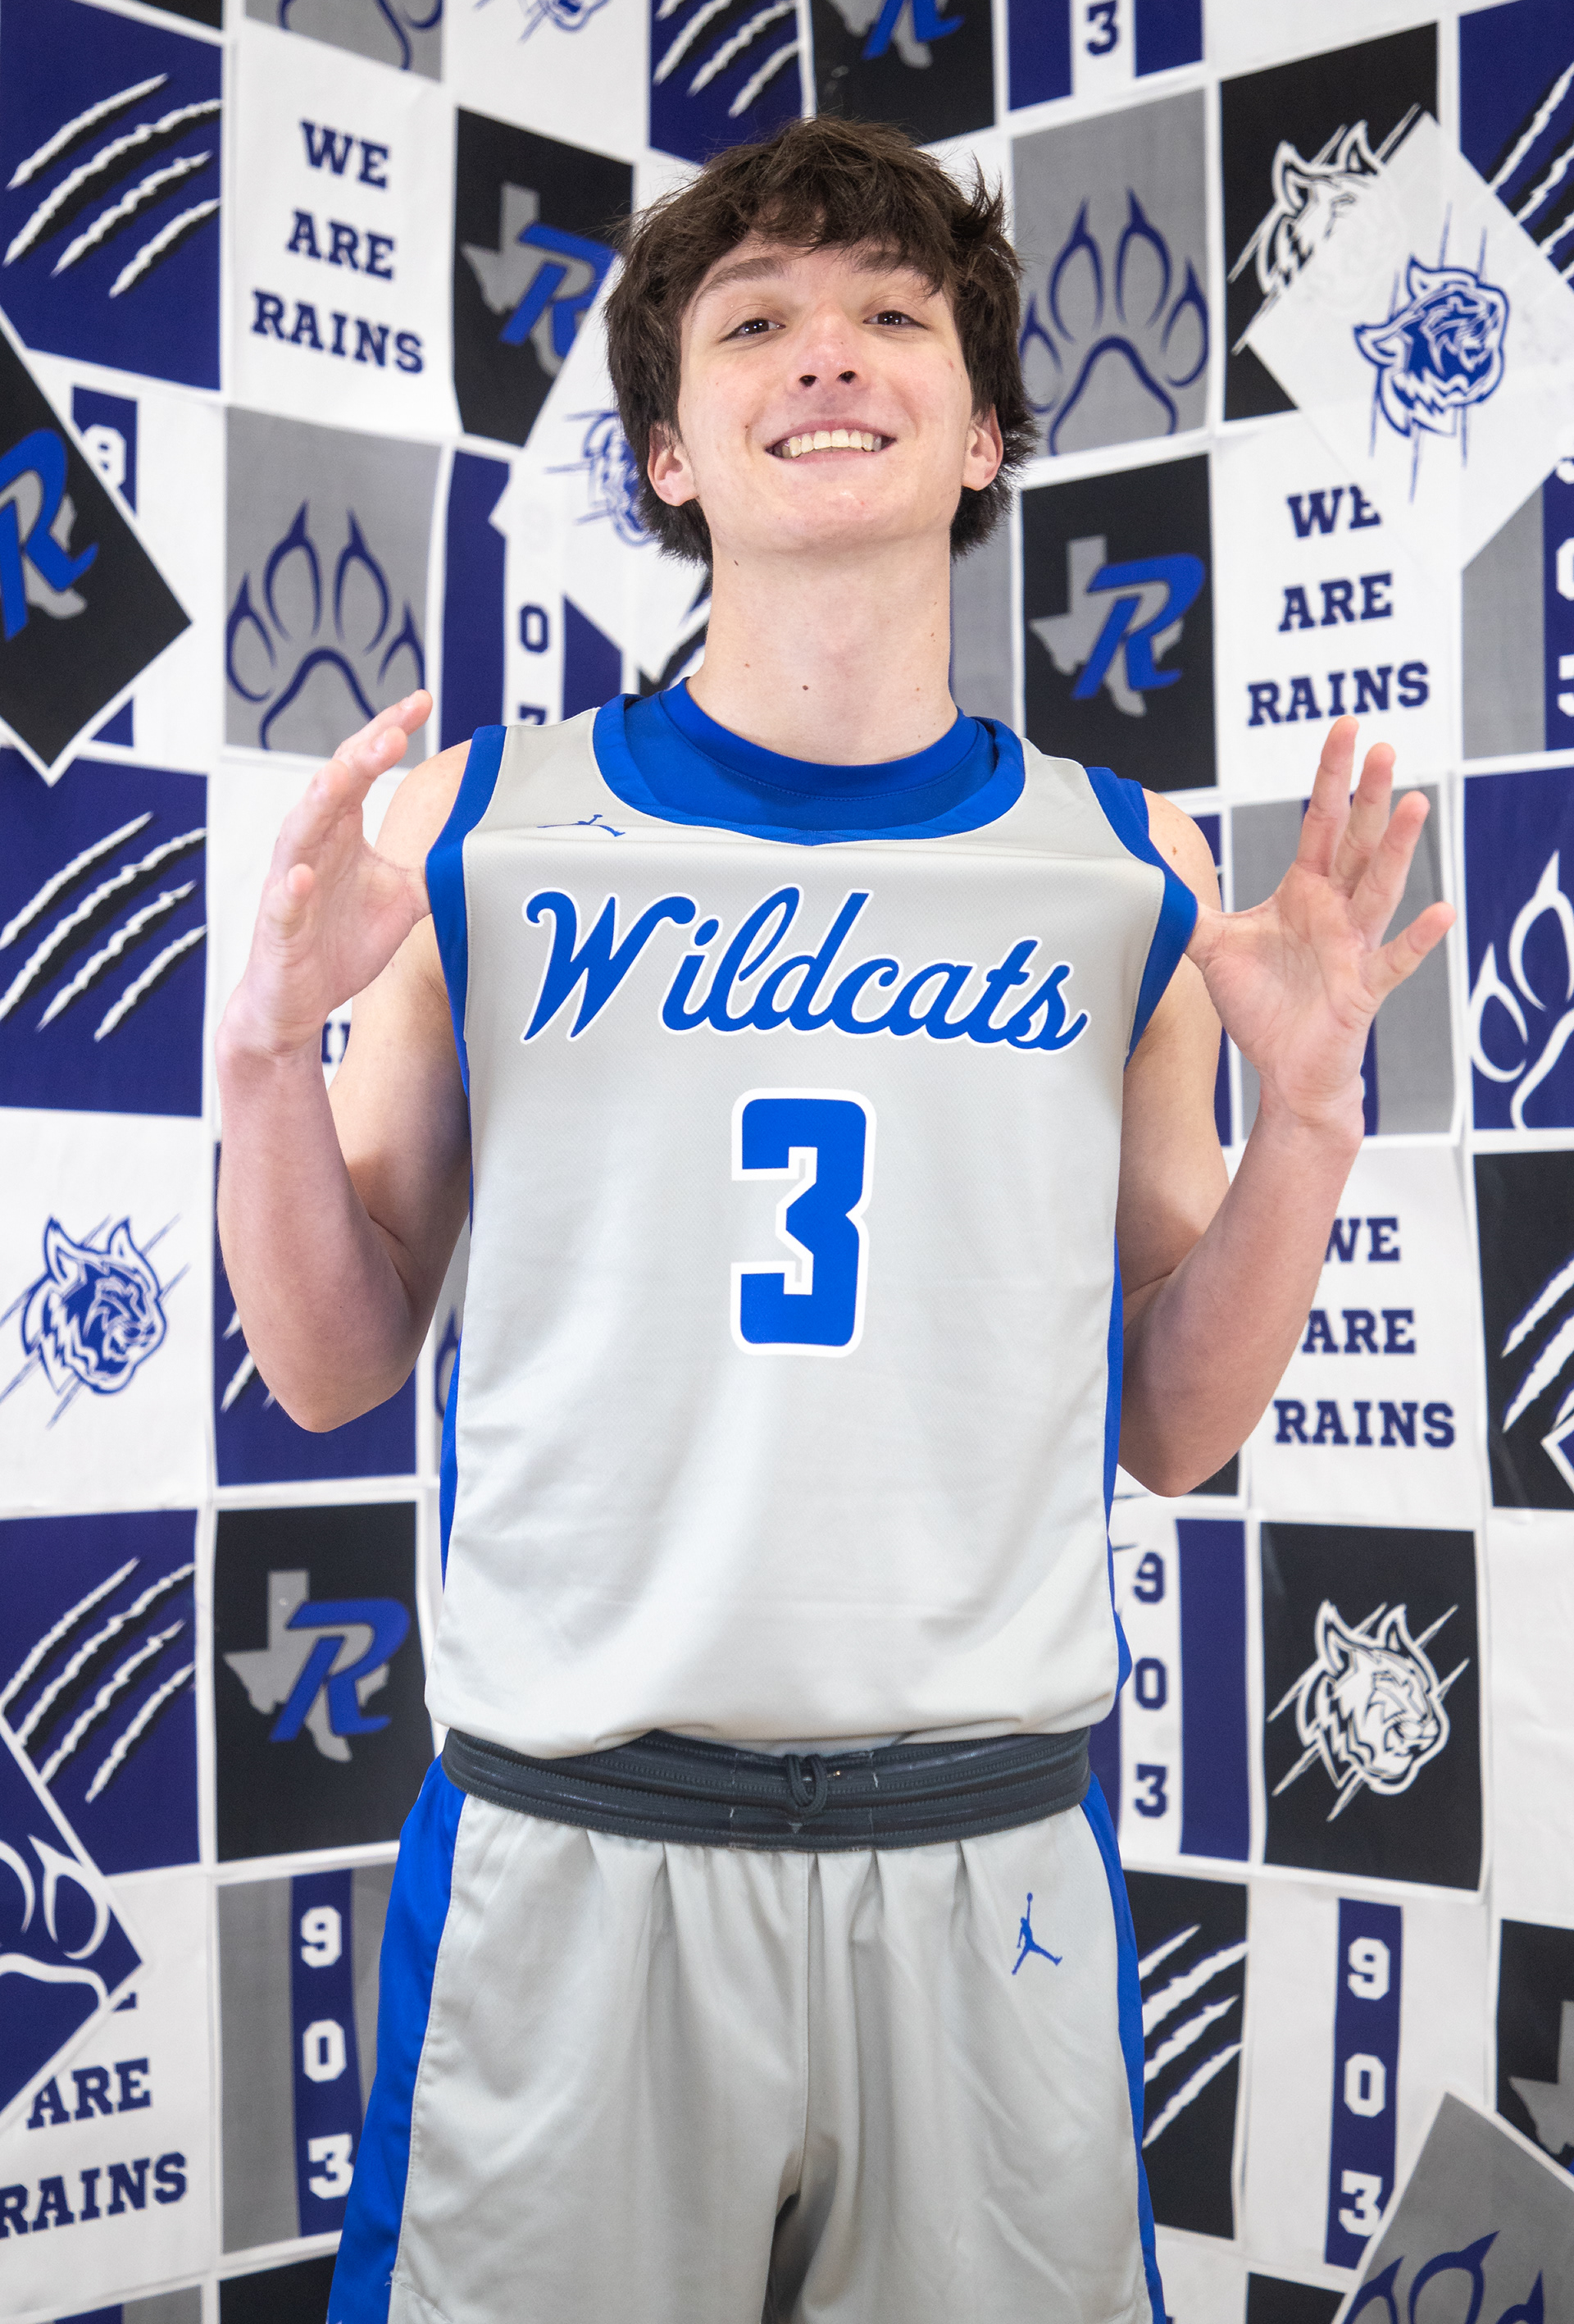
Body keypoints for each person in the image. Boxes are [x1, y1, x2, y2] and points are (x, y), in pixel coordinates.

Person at [216, 117, 1453, 2324]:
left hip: (984, 1863)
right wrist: (252, 1067)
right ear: (666, 452)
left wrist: (1314, 1125)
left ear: (983, 436)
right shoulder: (472, 830)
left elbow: (1176, 1427)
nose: (828, 355)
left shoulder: (1131, 868)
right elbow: (326, 1366)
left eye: (895, 314)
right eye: (755, 321)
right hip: (574, 1854)